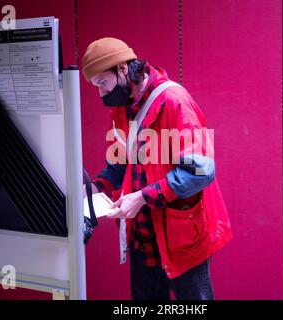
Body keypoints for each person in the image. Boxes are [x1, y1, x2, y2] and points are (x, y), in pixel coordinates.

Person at [81, 37, 232, 300]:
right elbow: (117, 166)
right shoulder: (119, 111)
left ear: (123, 69)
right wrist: (94, 188)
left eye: (102, 83)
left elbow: (201, 171)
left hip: (183, 237)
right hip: (142, 236)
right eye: (95, 86)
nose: (101, 93)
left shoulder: (175, 101)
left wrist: (141, 197)